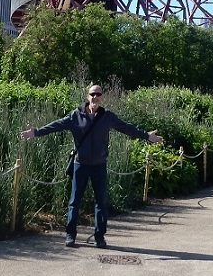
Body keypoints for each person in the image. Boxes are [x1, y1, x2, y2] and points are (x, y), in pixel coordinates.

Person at [20, 84, 162, 248]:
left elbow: (126, 128)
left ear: (102, 97)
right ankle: (70, 235)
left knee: (101, 202)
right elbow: (57, 125)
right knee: (74, 201)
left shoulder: (107, 116)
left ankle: (99, 237)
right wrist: (36, 132)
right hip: (80, 164)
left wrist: (146, 136)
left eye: (98, 94)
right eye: (92, 94)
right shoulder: (76, 115)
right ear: (87, 96)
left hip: (99, 166)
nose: (95, 97)